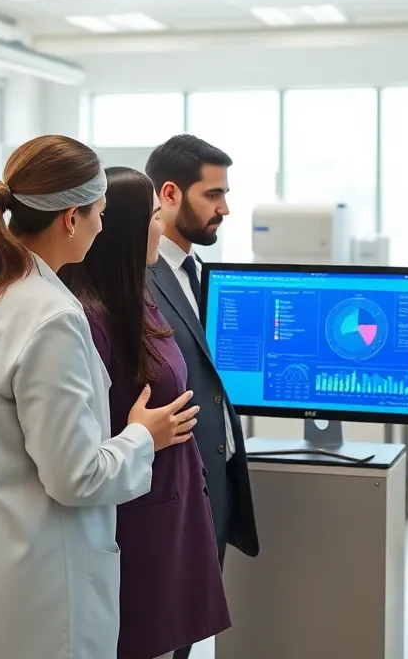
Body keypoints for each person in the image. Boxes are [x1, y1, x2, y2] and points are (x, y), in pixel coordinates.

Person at [0, 136, 200, 659]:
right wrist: (141, 437)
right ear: (70, 219)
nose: (103, 227)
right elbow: (76, 476)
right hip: (28, 583)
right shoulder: (51, 317)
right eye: (100, 213)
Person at [61, 167, 231, 659]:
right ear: (126, 229)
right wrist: (143, 436)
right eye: (156, 216)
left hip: (170, 501)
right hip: (134, 517)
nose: (163, 226)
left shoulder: (139, 298)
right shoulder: (88, 319)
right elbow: (84, 442)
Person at [145, 135, 259, 659]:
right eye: (213, 195)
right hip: (173, 488)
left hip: (214, 483)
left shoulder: (201, 275)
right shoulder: (140, 279)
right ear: (169, 194)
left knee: (188, 638)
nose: (225, 209)